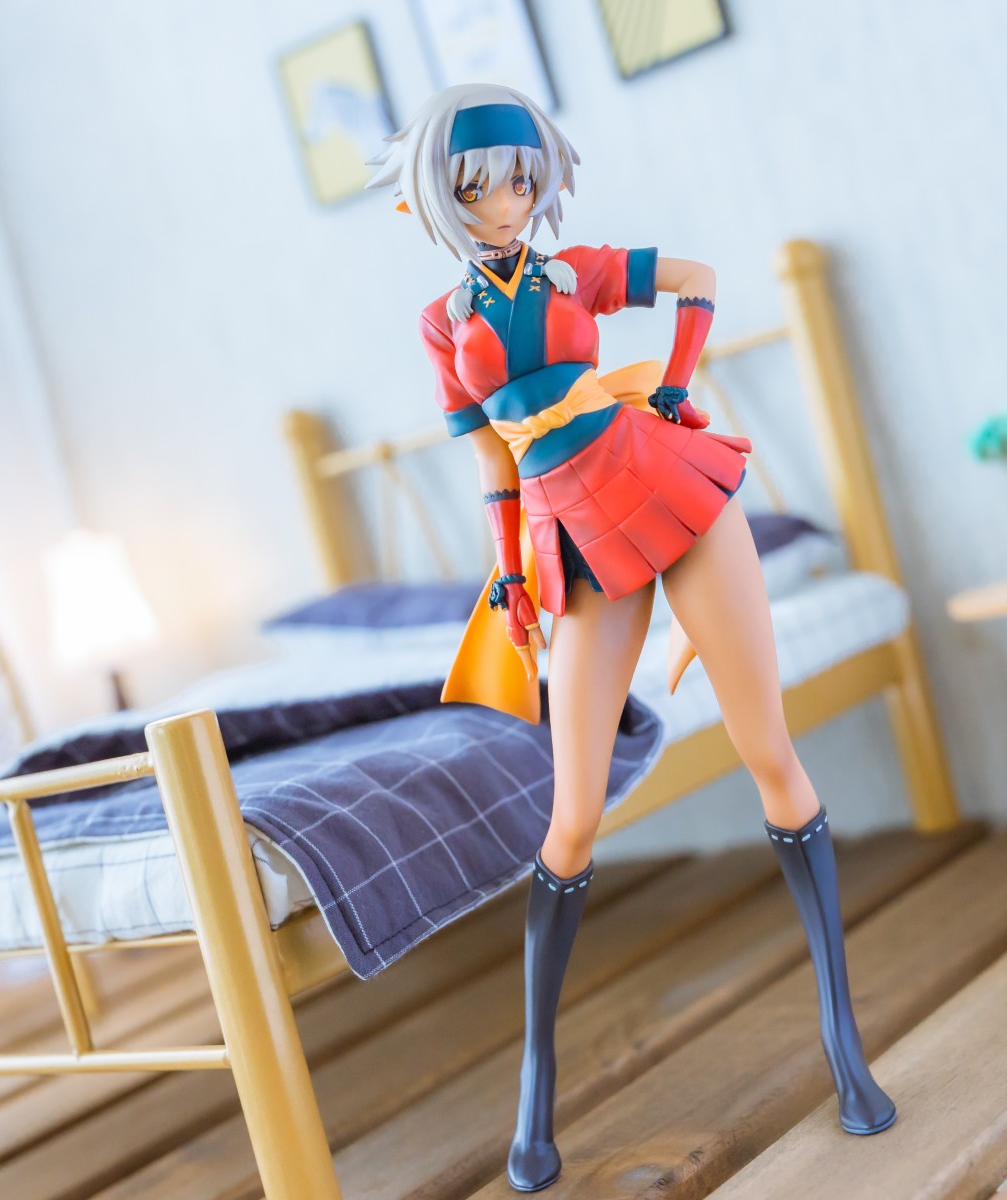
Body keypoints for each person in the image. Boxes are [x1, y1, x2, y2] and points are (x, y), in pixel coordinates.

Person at [366, 82, 897, 1193]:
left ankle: (844, 1043)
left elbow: (698, 280)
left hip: (666, 485)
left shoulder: (577, 271)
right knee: (571, 818)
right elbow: (493, 463)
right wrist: (509, 572)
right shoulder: (442, 322)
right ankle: (536, 1090)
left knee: (768, 753)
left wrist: (674, 388)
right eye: (482, 186)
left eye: (522, 179)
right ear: (441, 196)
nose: (508, 201)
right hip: (570, 534)